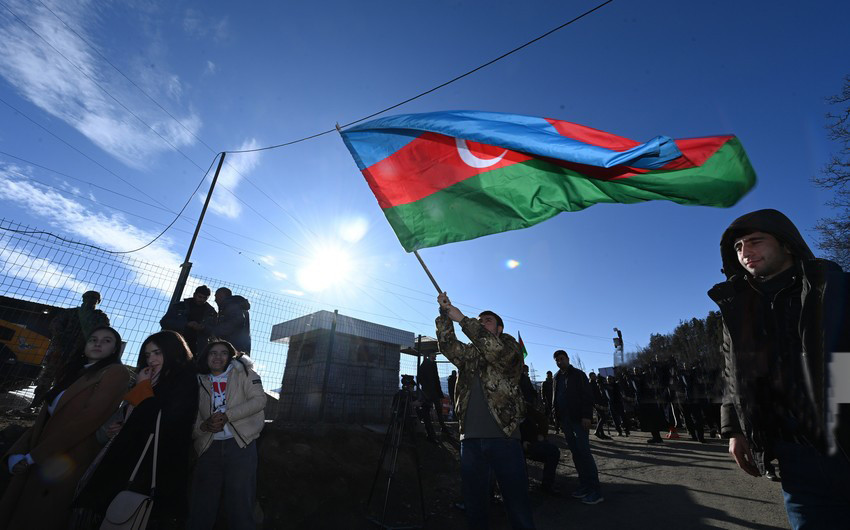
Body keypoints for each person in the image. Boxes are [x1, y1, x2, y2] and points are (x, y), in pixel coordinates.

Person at [708, 208, 850, 528]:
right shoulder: (737, 307)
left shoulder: (834, 287)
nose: (745, 251)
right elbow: (732, 371)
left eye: (755, 241)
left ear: (786, 244)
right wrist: (734, 429)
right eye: (738, 247)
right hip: (795, 456)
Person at [0, 326, 129, 529]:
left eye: (106, 340)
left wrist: (34, 456)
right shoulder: (73, 373)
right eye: (93, 339)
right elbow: (43, 421)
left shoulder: (115, 372)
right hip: (37, 457)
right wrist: (17, 453)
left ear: (115, 350)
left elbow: (88, 419)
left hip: (66, 461)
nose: (98, 343)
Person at [74, 331, 199, 529]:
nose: (151, 359)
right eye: (148, 355)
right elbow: (134, 415)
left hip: (154, 466)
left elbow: (167, 420)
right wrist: (122, 426)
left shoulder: (185, 381)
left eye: (157, 353)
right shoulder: (150, 378)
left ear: (173, 351)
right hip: (130, 457)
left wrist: (142, 388)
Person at [436, 292, 534, 530]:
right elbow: (449, 347)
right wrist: (445, 315)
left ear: (499, 328)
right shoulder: (471, 353)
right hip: (470, 439)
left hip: (504, 437)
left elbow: (495, 352)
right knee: (475, 504)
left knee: (516, 503)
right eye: (479, 320)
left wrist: (463, 320)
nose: (481, 323)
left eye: (487, 320)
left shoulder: (510, 349)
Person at [187, 340, 266, 530]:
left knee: (241, 501)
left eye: (223, 353)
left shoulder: (244, 373)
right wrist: (204, 427)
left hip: (241, 445)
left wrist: (228, 415)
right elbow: (192, 416)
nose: (218, 357)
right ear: (206, 357)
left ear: (230, 357)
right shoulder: (198, 381)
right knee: (202, 502)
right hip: (208, 447)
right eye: (213, 353)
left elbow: (259, 400)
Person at [30, 290, 109, 408]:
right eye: (88, 297)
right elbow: (55, 325)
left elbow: (103, 332)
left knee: (66, 380)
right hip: (60, 350)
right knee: (47, 376)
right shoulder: (70, 313)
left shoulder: (99, 317)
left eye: (94, 298)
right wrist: (61, 337)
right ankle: (36, 403)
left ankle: (53, 407)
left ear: (98, 302)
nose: (90, 300)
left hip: (80, 353)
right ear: (83, 298)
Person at [552, 349, 603, 504]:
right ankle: (584, 485)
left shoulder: (578, 375)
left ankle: (595, 491)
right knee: (576, 453)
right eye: (557, 360)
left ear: (567, 359)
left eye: (562, 358)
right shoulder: (556, 377)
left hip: (579, 420)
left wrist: (586, 416)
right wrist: (556, 417)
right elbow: (555, 398)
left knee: (584, 452)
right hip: (565, 421)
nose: (560, 361)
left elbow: (587, 396)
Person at [160, 285, 218, 355]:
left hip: (197, 348)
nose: (202, 300)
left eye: (204, 298)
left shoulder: (211, 313)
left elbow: (215, 330)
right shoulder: (179, 306)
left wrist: (203, 328)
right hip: (176, 343)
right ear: (194, 295)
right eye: (200, 297)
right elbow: (164, 322)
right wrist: (186, 324)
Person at [519, 408, 560, 494]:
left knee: (553, 451)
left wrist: (541, 434)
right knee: (518, 456)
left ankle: (547, 485)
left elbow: (542, 419)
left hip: (533, 441)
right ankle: (522, 487)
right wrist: (521, 442)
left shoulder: (525, 407)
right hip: (516, 443)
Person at [417, 351, 449, 437]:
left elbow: (436, 378)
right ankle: (430, 432)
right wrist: (426, 388)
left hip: (434, 391)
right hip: (428, 392)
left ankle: (442, 428)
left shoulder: (433, 364)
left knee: (438, 409)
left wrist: (439, 391)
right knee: (427, 411)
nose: (435, 356)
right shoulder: (424, 365)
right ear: (430, 355)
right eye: (434, 355)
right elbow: (420, 378)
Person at [212, 288, 252, 354]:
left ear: (221, 296)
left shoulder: (230, 305)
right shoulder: (238, 305)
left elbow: (235, 323)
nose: (215, 300)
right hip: (241, 346)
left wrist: (215, 331)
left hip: (233, 347)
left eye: (216, 296)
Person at [588, 372, 612, 440]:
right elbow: (592, 395)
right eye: (593, 376)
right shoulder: (590, 384)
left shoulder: (596, 383)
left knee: (600, 418)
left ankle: (601, 433)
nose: (595, 377)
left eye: (595, 375)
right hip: (596, 403)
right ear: (590, 377)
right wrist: (595, 403)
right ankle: (597, 431)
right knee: (603, 417)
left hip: (600, 402)